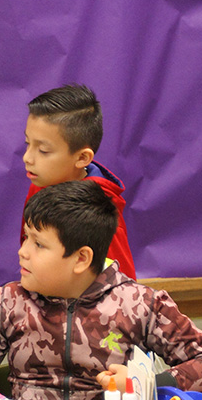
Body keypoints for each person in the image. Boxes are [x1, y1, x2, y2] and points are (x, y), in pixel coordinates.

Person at [0, 180, 202, 400]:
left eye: (38, 244)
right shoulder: (9, 301)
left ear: (81, 258)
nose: (22, 252)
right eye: (26, 238)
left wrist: (145, 382)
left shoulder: (140, 303)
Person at [22, 84, 136, 278]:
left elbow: (123, 288)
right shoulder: (40, 185)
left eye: (43, 150)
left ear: (82, 158)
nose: (27, 158)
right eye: (28, 143)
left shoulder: (100, 218)